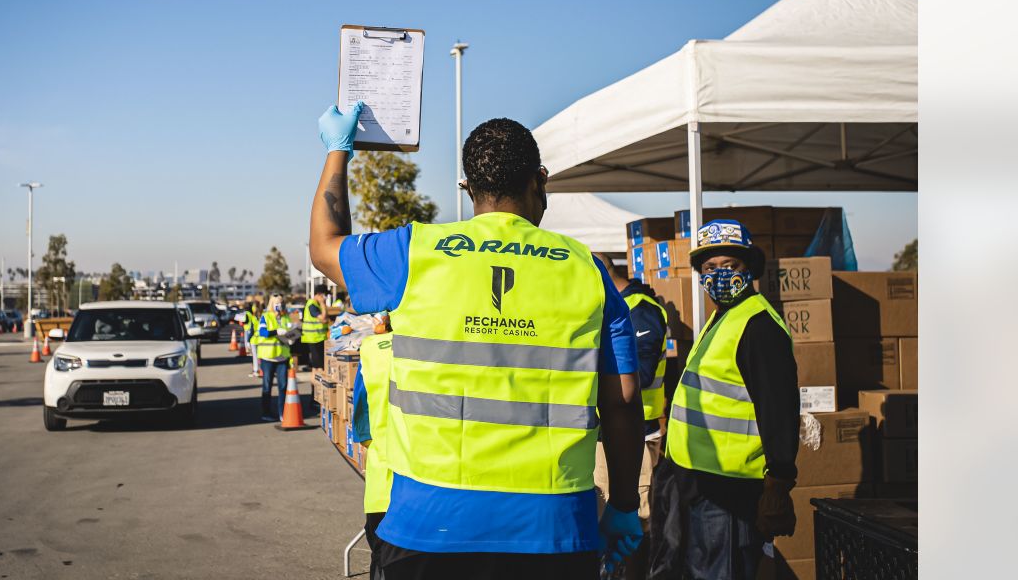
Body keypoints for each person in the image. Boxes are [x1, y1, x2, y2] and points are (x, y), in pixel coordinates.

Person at [310, 105, 645, 580]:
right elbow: (624, 400)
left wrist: (337, 152)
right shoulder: (587, 269)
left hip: (428, 526)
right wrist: (625, 504)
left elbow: (326, 246)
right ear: (540, 180)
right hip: (553, 529)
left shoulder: (416, 252)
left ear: (467, 188)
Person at [647, 219, 799, 580]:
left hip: (729, 494)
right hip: (694, 483)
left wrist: (779, 482)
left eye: (729, 266)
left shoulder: (759, 326)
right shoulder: (721, 318)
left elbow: (779, 411)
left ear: (749, 269)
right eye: (710, 268)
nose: (718, 276)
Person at [593, 253, 669, 578]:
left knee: (635, 525)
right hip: (612, 433)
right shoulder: (622, 307)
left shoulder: (639, 309)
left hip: (637, 439)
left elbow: (641, 375)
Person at [351, 322, 401, 580]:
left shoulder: (372, 350)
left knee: (383, 562)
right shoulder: (446, 344)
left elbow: (362, 429)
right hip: (437, 489)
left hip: (384, 488)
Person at [253, 295, 292, 421]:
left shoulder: (286, 317)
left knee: (283, 386)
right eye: (277, 303)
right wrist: (276, 331)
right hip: (268, 358)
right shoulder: (266, 317)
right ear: (272, 304)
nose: (280, 305)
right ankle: (266, 413)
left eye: (281, 302)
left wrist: (291, 337)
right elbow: (262, 332)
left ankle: (283, 413)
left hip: (282, 357)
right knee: (267, 386)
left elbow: (289, 332)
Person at [301, 292, 329, 371]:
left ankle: (315, 382)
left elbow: (324, 319)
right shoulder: (312, 305)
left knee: (318, 365)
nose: (324, 298)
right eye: (323, 295)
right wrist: (322, 303)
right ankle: (316, 382)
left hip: (319, 337)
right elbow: (323, 317)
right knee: (318, 366)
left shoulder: (316, 304)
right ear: (318, 294)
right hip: (314, 338)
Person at [242, 302, 263, 378]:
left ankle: (256, 370)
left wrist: (248, 341)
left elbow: (251, 330)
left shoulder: (253, 317)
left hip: (254, 339)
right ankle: (261, 370)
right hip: (262, 339)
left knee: (255, 356)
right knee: (261, 356)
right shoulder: (264, 316)